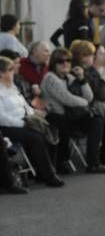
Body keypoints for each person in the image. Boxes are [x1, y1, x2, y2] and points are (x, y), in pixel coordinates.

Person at [41, 48, 105, 174]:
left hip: (72, 116)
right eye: (60, 61)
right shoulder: (50, 78)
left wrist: (82, 78)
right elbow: (67, 99)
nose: (65, 63)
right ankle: (62, 162)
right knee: (62, 121)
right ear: (53, 63)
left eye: (68, 60)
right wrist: (85, 103)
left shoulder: (70, 77)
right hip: (56, 116)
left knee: (97, 120)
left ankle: (93, 163)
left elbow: (89, 96)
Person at [0, 56, 64, 187]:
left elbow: (25, 106)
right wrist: (21, 123)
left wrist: (35, 113)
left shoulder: (13, 87)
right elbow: (2, 117)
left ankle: (43, 172)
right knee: (36, 138)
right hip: (8, 127)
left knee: (50, 131)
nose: (14, 71)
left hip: (25, 121)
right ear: (1, 73)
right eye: (10, 69)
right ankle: (49, 176)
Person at [70, 40, 105, 170]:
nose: (93, 57)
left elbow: (101, 92)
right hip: (78, 112)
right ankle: (93, 163)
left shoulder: (91, 69)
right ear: (82, 56)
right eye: (90, 54)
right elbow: (97, 92)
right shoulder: (77, 71)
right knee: (97, 121)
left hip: (92, 107)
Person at [19, 41, 50, 110]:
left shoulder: (48, 68)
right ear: (35, 52)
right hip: (25, 103)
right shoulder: (19, 64)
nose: (49, 54)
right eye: (46, 51)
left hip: (44, 104)